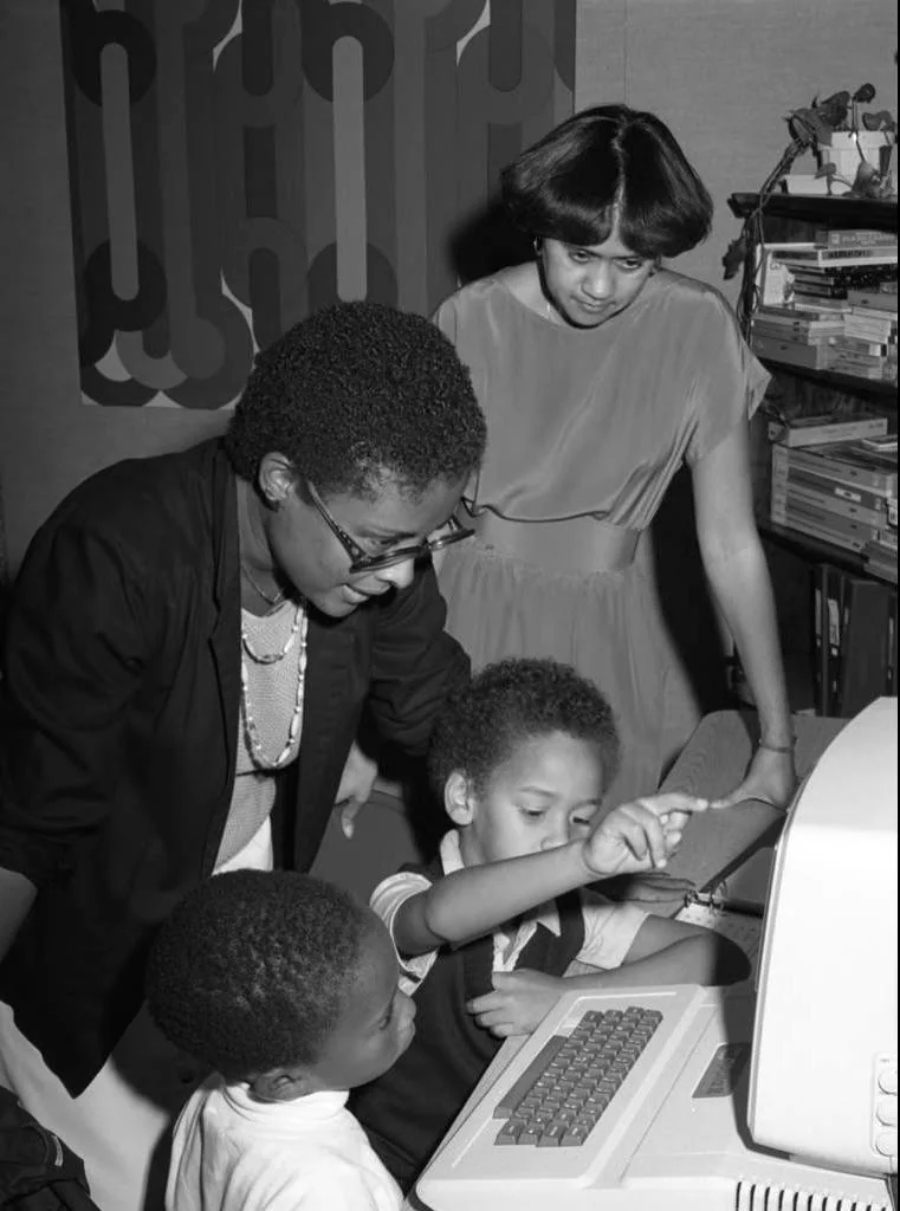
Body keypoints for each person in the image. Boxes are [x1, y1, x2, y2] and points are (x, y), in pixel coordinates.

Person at [0, 301, 486, 1210]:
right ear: (278, 478)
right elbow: (29, 823)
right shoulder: (117, 551)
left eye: (427, 542)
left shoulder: (375, 553)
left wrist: (560, 831)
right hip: (105, 934)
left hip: (244, 900)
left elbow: (439, 708)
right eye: (378, 547)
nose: (401, 577)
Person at [433, 103, 797, 823]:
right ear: (540, 231)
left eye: (631, 263)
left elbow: (729, 544)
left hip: (616, 628)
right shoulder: (468, 318)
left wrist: (777, 741)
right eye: (581, 256)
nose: (601, 289)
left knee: (606, 869)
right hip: (471, 622)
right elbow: (419, 534)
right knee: (477, 864)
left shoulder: (696, 328)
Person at [350, 658, 749, 1189]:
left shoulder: (567, 909)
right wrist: (583, 859)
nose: (560, 839)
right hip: (385, 1177)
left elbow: (718, 956)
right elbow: (442, 916)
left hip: (496, 1163)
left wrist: (569, 997)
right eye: (535, 813)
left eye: (581, 820)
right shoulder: (404, 897)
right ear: (464, 798)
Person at [145, 869, 415, 1211]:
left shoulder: (211, 1099)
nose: (409, 1008)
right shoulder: (330, 1189)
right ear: (285, 1082)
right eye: (385, 1019)